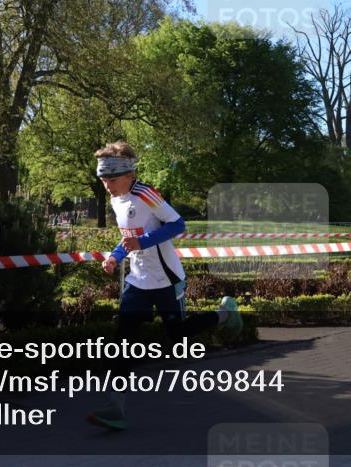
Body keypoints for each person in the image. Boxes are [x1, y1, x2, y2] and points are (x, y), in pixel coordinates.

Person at [87, 141, 242, 430]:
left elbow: (177, 225)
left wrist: (142, 242)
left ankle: (224, 314)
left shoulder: (145, 194)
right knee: (123, 342)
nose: (106, 186)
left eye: (111, 179)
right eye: (103, 180)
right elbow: (128, 238)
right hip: (138, 280)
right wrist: (114, 257)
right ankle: (115, 408)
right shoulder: (115, 200)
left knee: (178, 336)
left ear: (129, 175)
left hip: (166, 278)